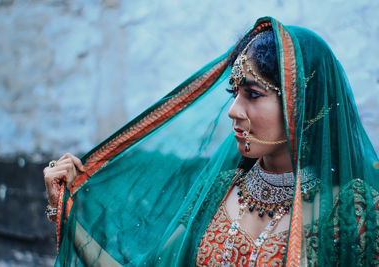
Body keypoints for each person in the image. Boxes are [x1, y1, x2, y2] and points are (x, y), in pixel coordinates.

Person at [43, 17, 379, 266]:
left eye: (253, 94)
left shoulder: (352, 212)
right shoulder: (217, 193)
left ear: (303, 106)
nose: (234, 111)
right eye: (235, 94)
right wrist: (64, 208)